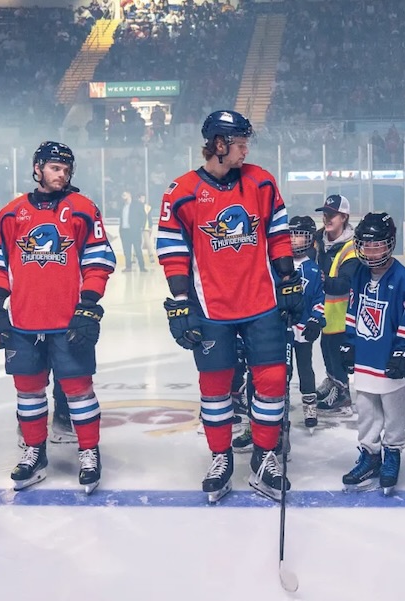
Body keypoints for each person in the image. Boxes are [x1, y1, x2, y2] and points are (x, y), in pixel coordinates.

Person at [156, 109, 303, 503]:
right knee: (215, 387)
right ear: (218, 145)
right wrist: (181, 302)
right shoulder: (182, 191)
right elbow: (172, 252)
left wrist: (288, 280)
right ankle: (220, 457)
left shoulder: (261, 181)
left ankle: (264, 457)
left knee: (272, 382)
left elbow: (278, 234)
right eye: (239, 143)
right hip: (211, 308)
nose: (245, 150)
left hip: (261, 302)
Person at [0, 141, 116, 493]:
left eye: (66, 169)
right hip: (23, 322)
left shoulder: (83, 209)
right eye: (55, 167)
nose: (62, 174)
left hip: (68, 321)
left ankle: (89, 451)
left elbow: (99, 261)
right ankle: (34, 452)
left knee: (79, 391)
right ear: (37, 168)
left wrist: (88, 305)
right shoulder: (11, 213)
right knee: (28, 391)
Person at [340, 213, 405, 495]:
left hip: (390, 358)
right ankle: (370, 455)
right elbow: (353, 310)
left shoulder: (401, 277)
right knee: (366, 410)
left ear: (390, 244)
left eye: (378, 246)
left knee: (393, 411)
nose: (371, 252)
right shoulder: (360, 274)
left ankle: (392, 453)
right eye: (366, 246)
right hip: (366, 357)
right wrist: (349, 342)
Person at [313, 194, 359, 416]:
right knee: (326, 348)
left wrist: (321, 281)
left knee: (337, 352)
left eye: (332, 214)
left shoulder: (351, 247)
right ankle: (332, 381)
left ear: (344, 217)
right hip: (323, 310)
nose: (327, 218)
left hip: (342, 313)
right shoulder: (318, 239)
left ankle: (342, 393)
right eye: (325, 214)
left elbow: (345, 284)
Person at [288, 215, 325, 432]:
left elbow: (319, 299)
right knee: (282, 369)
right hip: (282, 329)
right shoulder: (278, 266)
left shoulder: (313, 269)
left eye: (299, 235)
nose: (293, 239)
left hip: (302, 329)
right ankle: (279, 403)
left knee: (305, 368)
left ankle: (310, 406)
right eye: (291, 235)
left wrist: (315, 320)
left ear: (310, 239)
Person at [119, 191, 147, 272]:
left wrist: (141, 226)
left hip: (135, 231)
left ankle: (142, 267)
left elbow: (143, 216)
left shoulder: (137, 205)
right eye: (122, 195)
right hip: (124, 231)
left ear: (129, 195)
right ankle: (128, 267)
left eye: (124, 194)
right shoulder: (122, 206)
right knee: (126, 250)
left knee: (138, 249)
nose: (123, 196)